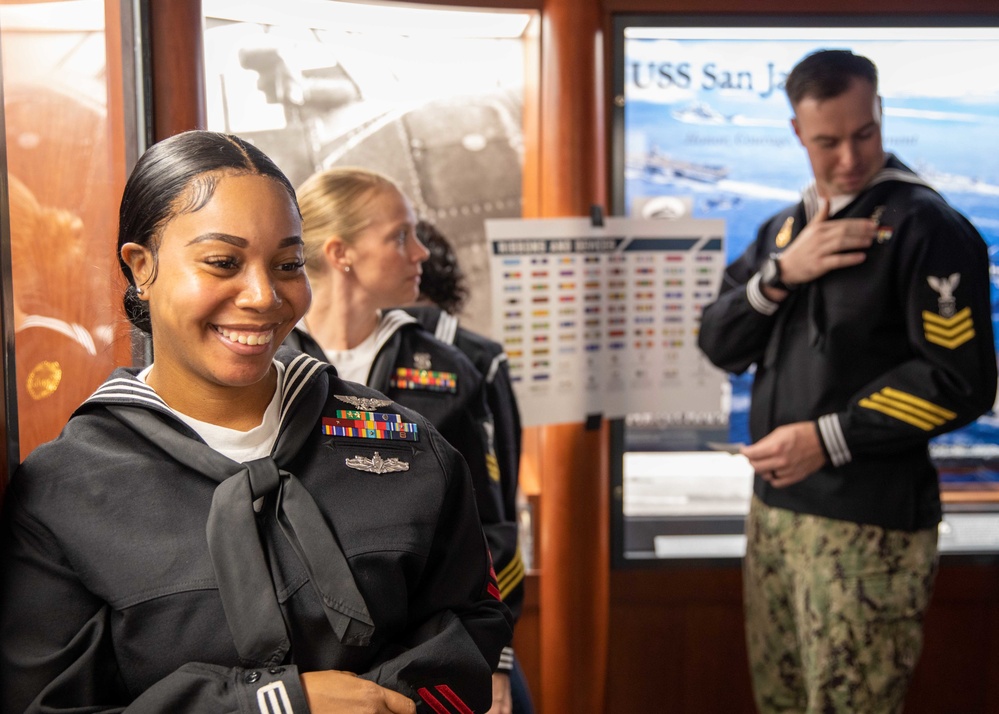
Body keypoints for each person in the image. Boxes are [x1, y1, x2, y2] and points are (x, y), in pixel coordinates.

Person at [0, 130, 512, 714]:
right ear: (142, 266)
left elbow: (471, 625)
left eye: (288, 263)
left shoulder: (406, 447)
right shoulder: (63, 494)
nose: (264, 295)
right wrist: (272, 704)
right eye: (223, 262)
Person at [697, 50, 997, 713]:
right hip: (775, 514)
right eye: (826, 141)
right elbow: (716, 341)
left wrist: (827, 438)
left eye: (863, 133)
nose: (848, 158)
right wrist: (780, 275)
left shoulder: (927, 226)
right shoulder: (787, 227)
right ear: (797, 135)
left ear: (879, 113)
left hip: (867, 523)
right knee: (780, 700)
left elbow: (959, 380)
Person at [283, 168, 522, 714]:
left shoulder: (448, 370)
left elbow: (489, 526)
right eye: (399, 236)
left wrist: (494, 661)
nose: (421, 253)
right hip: (300, 658)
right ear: (342, 253)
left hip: (423, 653)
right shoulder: (263, 366)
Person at [404, 220, 533, 714]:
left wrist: (496, 659)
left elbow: (494, 518)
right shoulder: (304, 356)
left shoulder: (474, 360)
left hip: (462, 620)